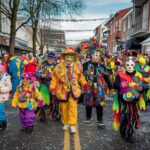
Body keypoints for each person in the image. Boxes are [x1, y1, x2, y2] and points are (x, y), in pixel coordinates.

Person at [50, 48, 88, 133]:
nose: (69, 59)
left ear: (73, 58)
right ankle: (66, 123)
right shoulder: (58, 67)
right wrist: (52, 87)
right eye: (67, 57)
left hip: (74, 91)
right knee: (64, 108)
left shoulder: (78, 66)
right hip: (62, 91)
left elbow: (81, 77)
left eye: (71, 57)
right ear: (64, 58)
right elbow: (54, 79)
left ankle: (72, 124)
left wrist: (85, 84)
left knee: (73, 107)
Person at [113, 56, 146, 143]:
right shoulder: (120, 75)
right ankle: (123, 129)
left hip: (135, 101)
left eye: (132, 65)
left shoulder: (138, 75)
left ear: (135, 66)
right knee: (124, 117)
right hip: (124, 102)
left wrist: (139, 88)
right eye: (128, 65)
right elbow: (115, 85)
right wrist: (120, 85)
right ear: (124, 66)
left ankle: (130, 134)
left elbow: (142, 88)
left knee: (133, 118)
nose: (130, 67)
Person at [83, 49, 114, 127]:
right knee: (88, 103)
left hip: (99, 88)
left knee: (100, 104)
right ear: (91, 55)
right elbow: (80, 76)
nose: (98, 57)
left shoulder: (101, 66)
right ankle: (88, 117)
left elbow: (107, 77)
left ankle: (100, 120)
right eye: (96, 55)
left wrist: (111, 87)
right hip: (88, 87)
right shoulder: (85, 65)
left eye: (99, 56)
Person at [35, 52, 56, 122]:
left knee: (55, 101)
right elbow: (36, 73)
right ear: (47, 58)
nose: (50, 59)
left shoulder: (57, 65)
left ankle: (56, 114)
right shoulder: (42, 64)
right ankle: (43, 115)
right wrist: (41, 75)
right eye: (49, 58)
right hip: (44, 84)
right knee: (44, 100)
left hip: (54, 85)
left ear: (54, 59)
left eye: (52, 58)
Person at [0, 64, 12, 131]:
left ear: (3, 72)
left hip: (1, 97)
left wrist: (2, 90)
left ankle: (4, 122)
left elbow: (9, 87)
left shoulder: (6, 78)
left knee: (1, 111)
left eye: (1, 72)